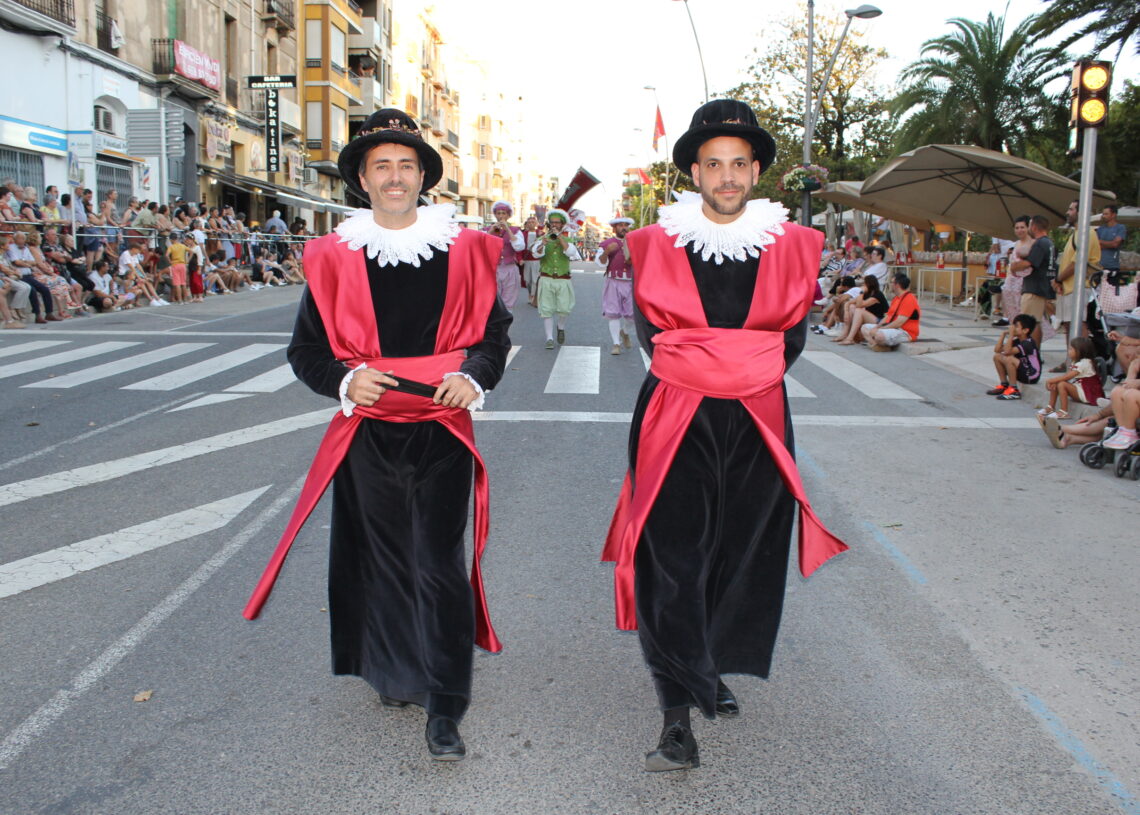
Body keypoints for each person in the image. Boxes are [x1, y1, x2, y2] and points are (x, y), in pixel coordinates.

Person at [243, 108, 512, 762]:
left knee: (440, 564)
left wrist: (475, 374)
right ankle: (396, 670)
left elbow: (493, 334)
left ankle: (446, 704)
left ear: (423, 175)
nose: (395, 177)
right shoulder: (333, 258)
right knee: (383, 559)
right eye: (381, 166)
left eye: (406, 165)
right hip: (368, 435)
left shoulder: (468, 249)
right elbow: (305, 350)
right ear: (362, 180)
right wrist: (342, 380)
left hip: (443, 428)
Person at [602, 100, 846, 773]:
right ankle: (676, 715)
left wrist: (733, 366)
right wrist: (723, 362)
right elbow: (654, 337)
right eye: (715, 163)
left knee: (741, 554)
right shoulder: (652, 244)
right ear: (695, 171)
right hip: (675, 417)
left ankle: (709, 664)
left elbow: (791, 338)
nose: (728, 175)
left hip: (759, 419)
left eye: (740, 163)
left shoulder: (794, 246)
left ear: (758, 171)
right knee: (674, 561)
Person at [1051, 200, 1102, 368]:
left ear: (1082, 212)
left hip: (1080, 286)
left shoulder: (1087, 233)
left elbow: (1077, 262)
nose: (1068, 212)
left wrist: (1058, 279)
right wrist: (1059, 281)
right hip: (1069, 287)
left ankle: (1084, 364)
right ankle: (1071, 360)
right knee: (1068, 325)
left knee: (1079, 324)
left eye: (1071, 209)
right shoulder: (1076, 233)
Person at [1009, 214, 1055, 348]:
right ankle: (1034, 352)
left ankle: (1031, 353)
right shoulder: (1050, 243)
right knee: (1036, 321)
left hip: (1034, 287)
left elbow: (1029, 263)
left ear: (1033, 227)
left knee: (1030, 322)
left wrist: (1013, 267)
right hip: (1042, 285)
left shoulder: (1040, 244)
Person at [533, 208, 575, 349]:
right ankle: (549, 338)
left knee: (564, 308)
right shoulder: (542, 239)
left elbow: (570, 253)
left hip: (563, 279)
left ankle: (561, 326)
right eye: (552, 223)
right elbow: (536, 254)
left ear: (562, 225)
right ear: (549, 224)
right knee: (546, 309)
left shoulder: (569, 240)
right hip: (547, 278)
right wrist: (542, 244)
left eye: (557, 223)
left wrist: (560, 237)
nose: (555, 225)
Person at [1037, 336, 1105, 419]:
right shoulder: (1077, 361)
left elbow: (1067, 377)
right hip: (1081, 389)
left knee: (1062, 384)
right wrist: (1054, 381)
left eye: (1071, 349)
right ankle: (1050, 407)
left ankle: (1064, 411)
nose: (1068, 351)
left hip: (1086, 393)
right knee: (1058, 383)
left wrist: (1051, 380)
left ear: (1080, 351)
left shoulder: (1085, 363)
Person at [599, 217, 635, 354]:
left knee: (632, 315)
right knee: (613, 313)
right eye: (620, 225)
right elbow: (600, 263)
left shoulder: (635, 242)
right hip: (614, 281)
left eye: (626, 225)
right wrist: (607, 252)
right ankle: (616, 344)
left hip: (631, 282)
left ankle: (624, 332)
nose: (624, 227)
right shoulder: (607, 243)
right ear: (615, 228)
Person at [987, 314, 1041, 400]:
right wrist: (1003, 334)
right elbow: (997, 350)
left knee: (1009, 358)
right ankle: (1004, 385)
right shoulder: (1017, 341)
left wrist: (1011, 335)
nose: (1012, 328)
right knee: (997, 357)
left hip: (1031, 375)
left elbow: (1008, 352)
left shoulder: (1028, 343)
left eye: (1016, 326)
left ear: (1025, 330)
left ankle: (1014, 390)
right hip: (1023, 371)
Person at [861, 272, 920, 349]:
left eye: (891, 282)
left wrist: (880, 329)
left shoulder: (909, 299)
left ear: (897, 285)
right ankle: (877, 345)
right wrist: (877, 326)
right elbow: (888, 316)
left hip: (905, 332)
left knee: (879, 335)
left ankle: (878, 344)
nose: (890, 284)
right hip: (893, 328)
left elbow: (899, 323)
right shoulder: (896, 298)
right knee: (864, 328)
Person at [484, 200, 525, 309]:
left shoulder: (515, 230)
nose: (501, 216)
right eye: (498, 213)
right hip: (493, 269)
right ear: (495, 215)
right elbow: (479, 246)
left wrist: (507, 229)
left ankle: (506, 324)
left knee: (508, 300)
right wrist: (491, 232)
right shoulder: (487, 230)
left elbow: (519, 247)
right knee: (492, 299)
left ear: (508, 215)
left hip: (510, 269)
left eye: (503, 213)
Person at [834, 272, 889, 345]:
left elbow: (859, 305)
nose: (863, 285)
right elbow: (849, 303)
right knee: (852, 307)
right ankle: (845, 334)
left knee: (858, 310)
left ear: (868, 284)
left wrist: (861, 292)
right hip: (870, 318)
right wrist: (846, 313)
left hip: (879, 320)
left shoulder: (877, 295)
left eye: (864, 283)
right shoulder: (867, 293)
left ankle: (850, 338)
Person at [519, 215, 541, 305]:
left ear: (536, 224)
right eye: (529, 222)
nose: (531, 224)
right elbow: (519, 248)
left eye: (533, 222)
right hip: (526, 260)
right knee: (527, 280)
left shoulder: (540, 234)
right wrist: (520, 258)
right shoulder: (522, 234)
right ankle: (530, 294)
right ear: (527, 224)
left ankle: (533, 297)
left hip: (537, 260)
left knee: (535, 280)